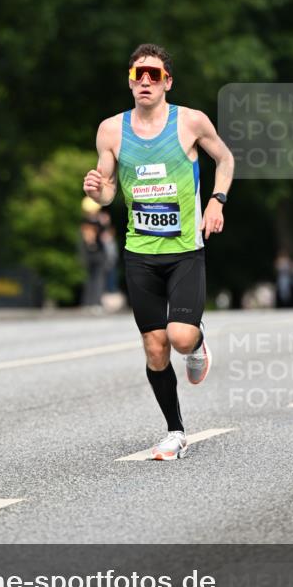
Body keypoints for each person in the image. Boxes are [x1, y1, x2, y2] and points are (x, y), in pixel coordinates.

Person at [83, 44, 234, 460]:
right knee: (154, 347)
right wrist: (98, 191)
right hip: (140, 251)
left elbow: (225, 158)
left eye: (153, 74)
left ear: (167, 81)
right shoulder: (111, 130)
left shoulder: (190, 122)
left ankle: (199, 341)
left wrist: (216, 201)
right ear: (130, 81)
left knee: (180, 338)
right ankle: (175, 430)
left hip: (185, 249)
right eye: (138, 75)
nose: (145, 81)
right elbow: (109, 191)